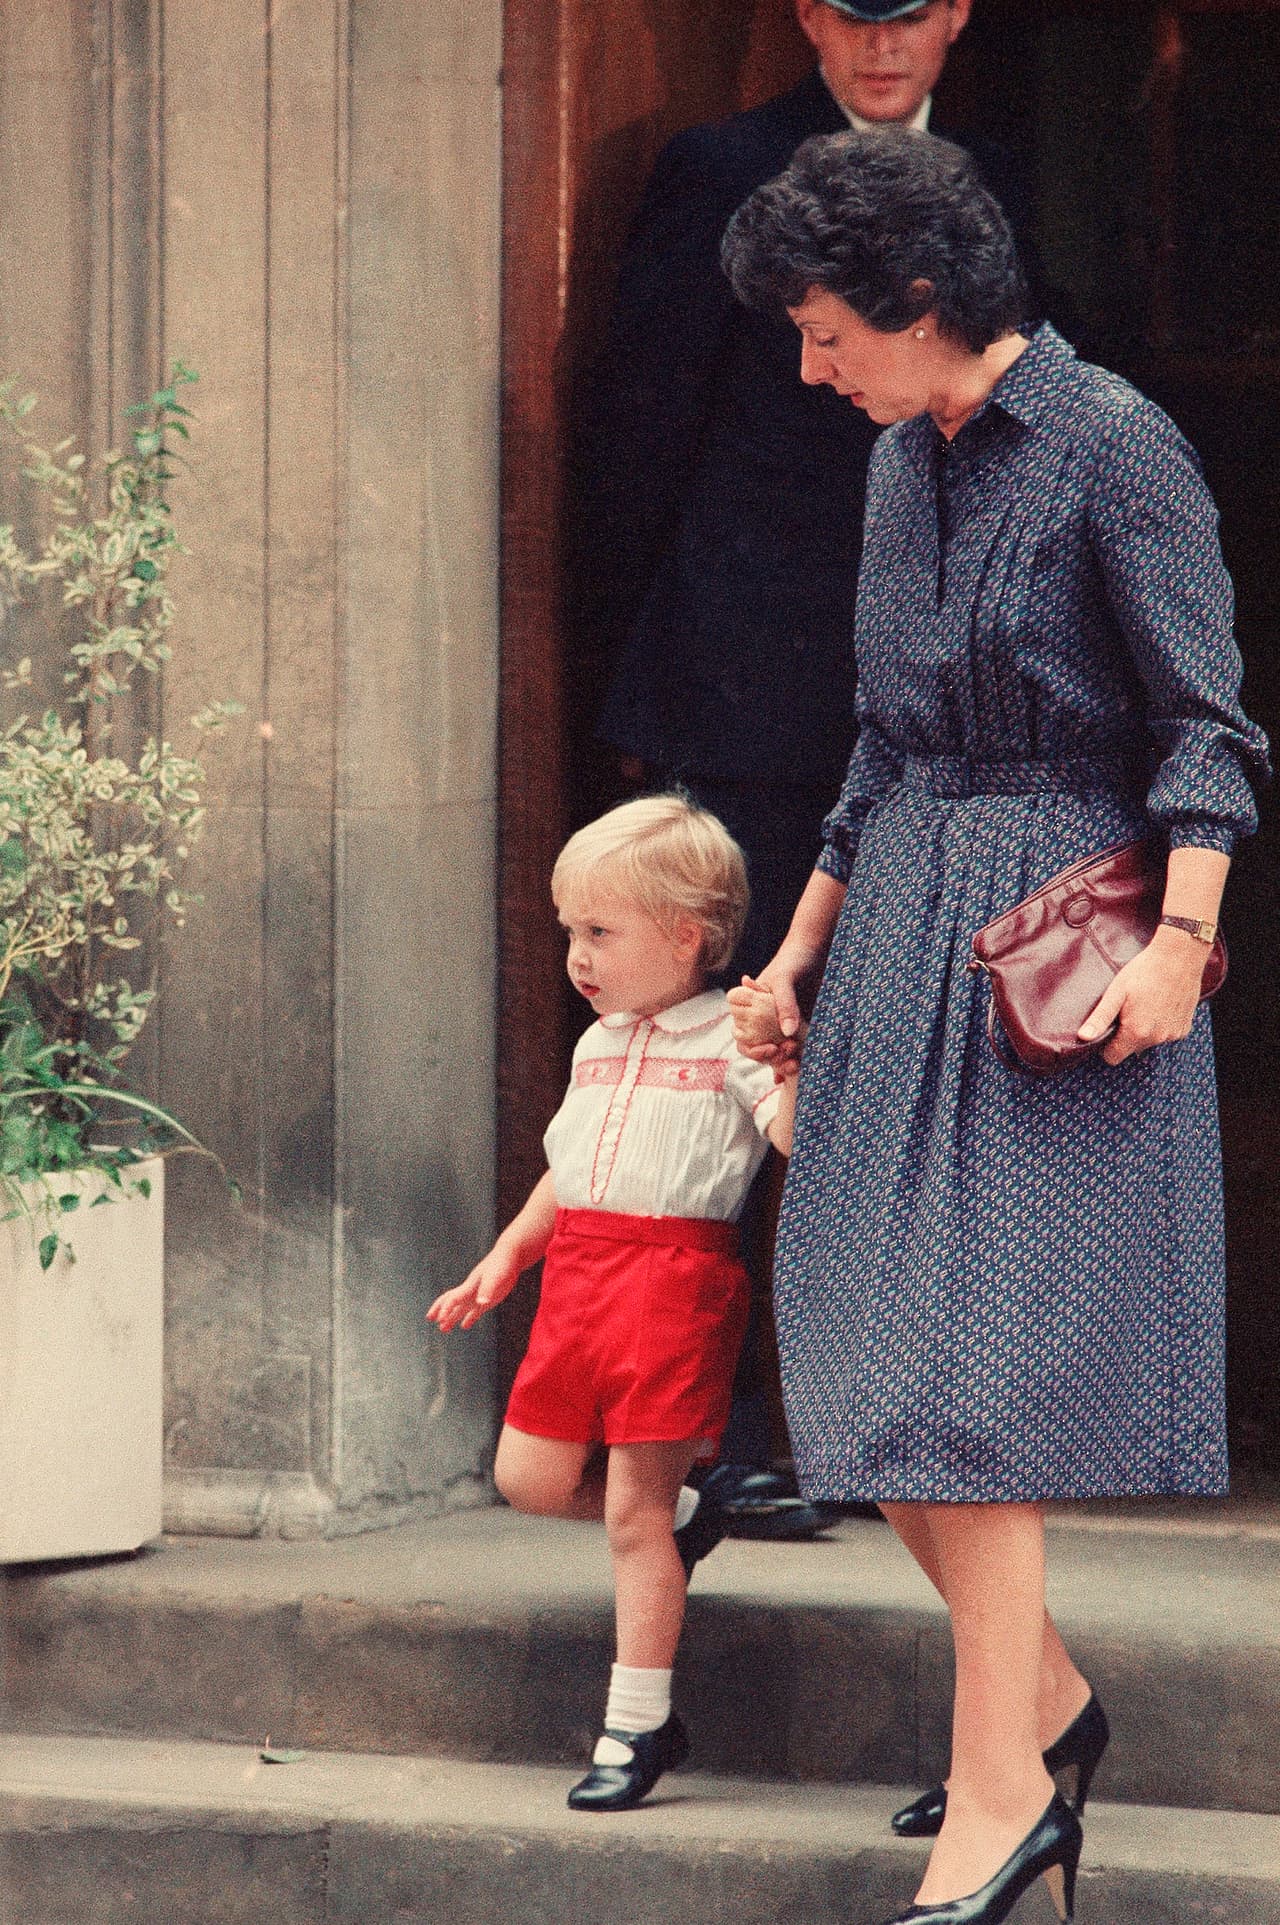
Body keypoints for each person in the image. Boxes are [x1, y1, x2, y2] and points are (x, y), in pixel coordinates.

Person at [720, 128, 1269, 1923]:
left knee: (981, 1392)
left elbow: (1208, 726)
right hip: (895, 936)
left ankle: (998, 1793)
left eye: (823, 333)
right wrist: (802, 941)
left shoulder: (1117, 449)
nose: (811, 371)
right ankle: (1048, 1705)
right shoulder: (906, 456)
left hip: (1061, 950)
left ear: (922, 300)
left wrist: (1183, 942)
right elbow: (885, 738)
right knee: (869, 1368)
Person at [426, 795, 796, 1813]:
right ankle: (694, 1508)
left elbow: (790, 1138)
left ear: (684, 935)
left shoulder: (725, 1039)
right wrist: (505, 1255)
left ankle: (635, 1724)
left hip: (674, 1284)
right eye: (568, 933)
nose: (576, 956)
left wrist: (782, 1059)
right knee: (530, 1476)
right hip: (580, 1277)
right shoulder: (596, 1046)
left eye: (599, 931)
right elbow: (569, 1166)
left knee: (630, 1518)